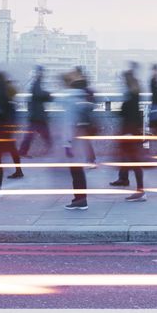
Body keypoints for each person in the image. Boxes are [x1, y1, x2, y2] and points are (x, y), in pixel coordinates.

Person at [109, 65, 148, 201]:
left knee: (134, 162)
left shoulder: (130, 98)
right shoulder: (134, 95)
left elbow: (125, 114)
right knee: (129, 159)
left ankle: (141, 191)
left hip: (129, 134)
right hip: (131, 133)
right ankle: (125, 179)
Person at [59, 67, 95, 209]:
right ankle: (80, 199)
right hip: (80, 137)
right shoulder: (82, 96)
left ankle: (80, 200)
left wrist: (66, 143)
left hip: (73, 139)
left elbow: (68, 122)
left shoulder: (69, 99)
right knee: (77, 170)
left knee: (76, 171)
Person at [17, 66, 53, 157]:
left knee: (32, 136)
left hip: (36, 115)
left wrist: (46, 95)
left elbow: (38, 95)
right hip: (37, 115)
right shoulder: (36, 83)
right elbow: (39, 94)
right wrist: (48, 94)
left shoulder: (36, 83)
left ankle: (22, 151)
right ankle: (54, 151)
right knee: (44, 136)